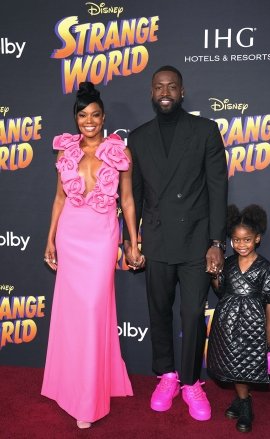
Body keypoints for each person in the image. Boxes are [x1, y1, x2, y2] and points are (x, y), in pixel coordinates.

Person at [123, 65, 228, 421]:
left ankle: (190, 382)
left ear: (182, 92)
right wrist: (131, 241)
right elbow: (132, 196)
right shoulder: (137, 139)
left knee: (193, 314)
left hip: (196, 239)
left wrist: (217, 241)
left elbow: (218, 190)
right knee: (159, 311)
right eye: (158, 86)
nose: (165, 91)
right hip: (156, 238)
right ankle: (166, 375)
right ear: (152, 93)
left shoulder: (205, 132)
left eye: (171, 86)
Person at [41, 82, 142, 429]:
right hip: (70, 236)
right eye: (83, 115)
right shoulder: (64, 152)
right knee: (74, 316)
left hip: (101, 239)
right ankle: (68, 386)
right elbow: (58, 200)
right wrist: (50, 239)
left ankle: (87, 398)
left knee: (91, 311)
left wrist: (133, 242)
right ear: (76, 118)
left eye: (95, 115)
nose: (89, 121)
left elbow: (127, 200)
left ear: (104, 117)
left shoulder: (118, 152)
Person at [207, 204, 270, 433]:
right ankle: (241, 401)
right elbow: (220, 291)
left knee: (246, 366)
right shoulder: (228, 263)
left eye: (247, 240)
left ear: (257, 239)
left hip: (252, 323)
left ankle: (245, 405)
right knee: (232, 363)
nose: (241, 245)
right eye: (236, 240)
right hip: (227, 322)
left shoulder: (266, 269)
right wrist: (214, 276)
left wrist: (269, 331)